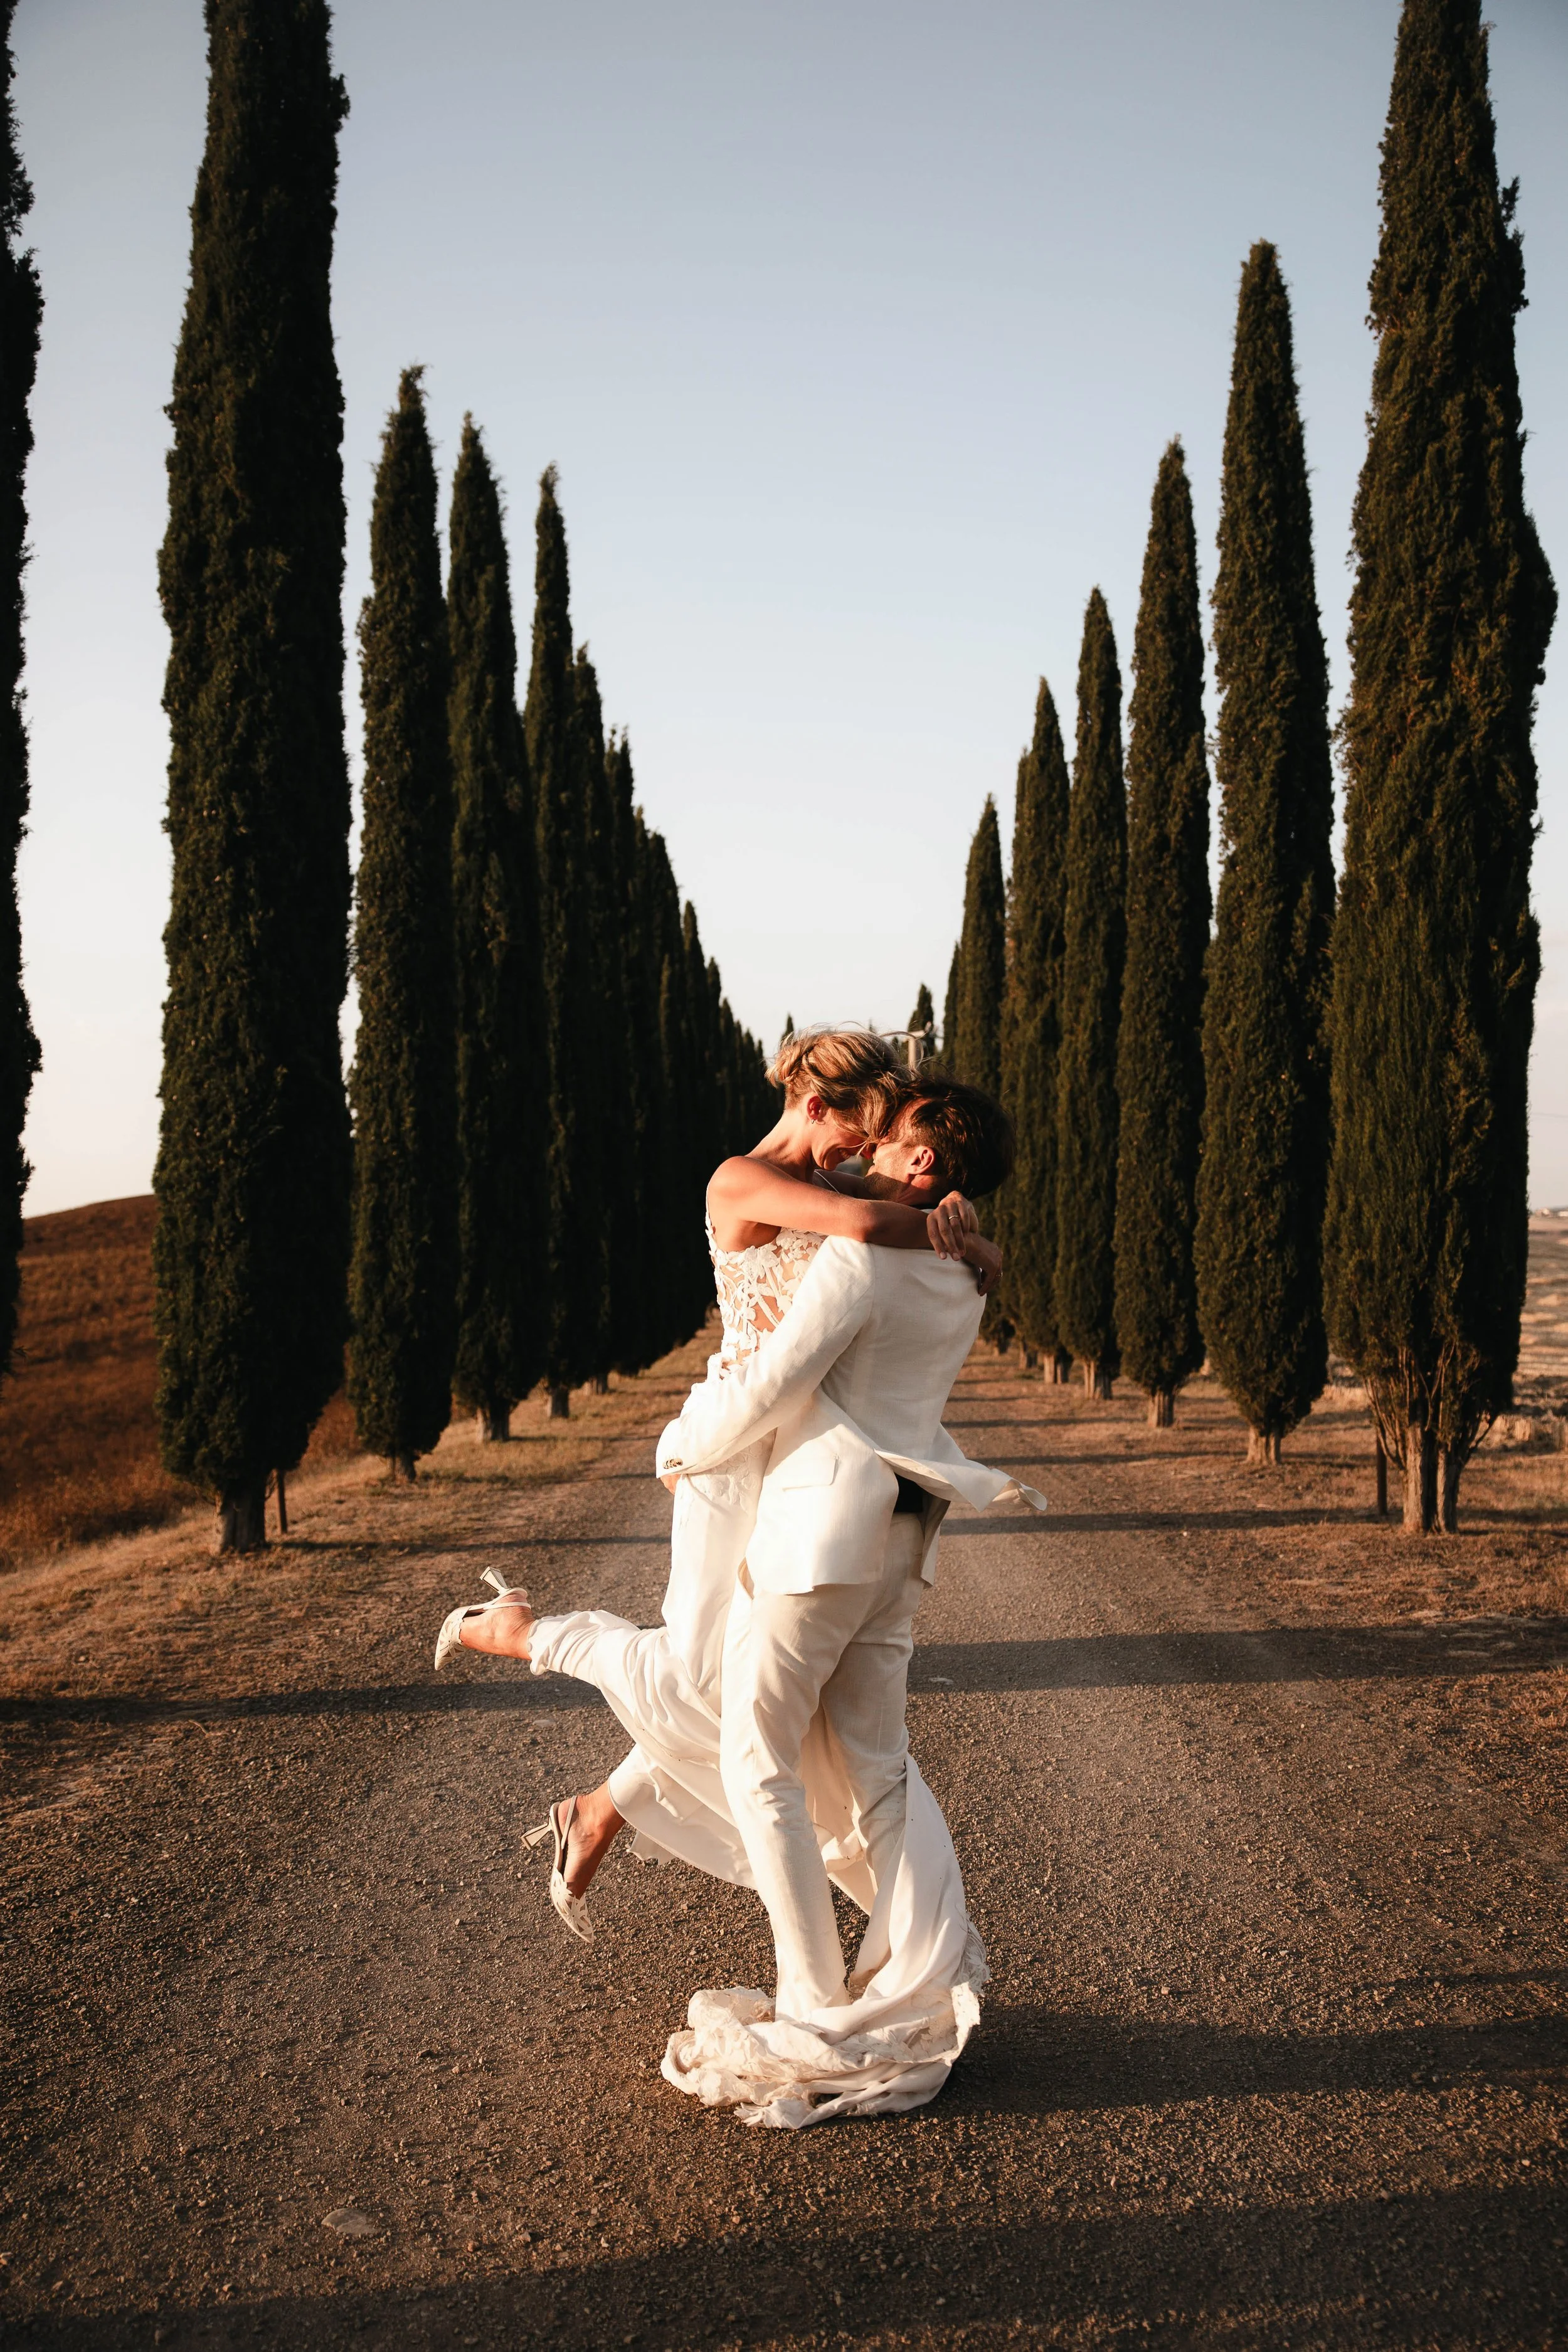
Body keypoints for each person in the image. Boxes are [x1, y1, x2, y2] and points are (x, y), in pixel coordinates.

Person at [443, 1077, 1044, 2125]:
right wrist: (974, 1240)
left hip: (821, 1535)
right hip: (905, 1543)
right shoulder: (959, 1270)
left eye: (891, 1139)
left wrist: (684, 1445)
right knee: (879, 1772)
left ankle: (814, 1998)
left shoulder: (867, 1252)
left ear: (919, 1157)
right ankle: (928, 1974)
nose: (870, 1153)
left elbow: (779, 1383)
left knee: (758, 1757)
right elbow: (900, 1244)